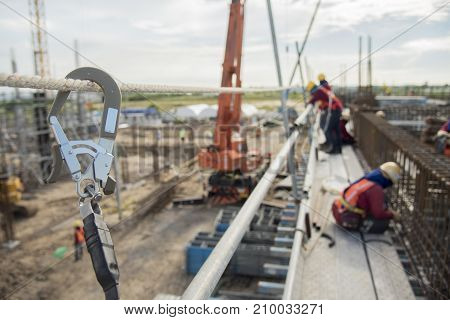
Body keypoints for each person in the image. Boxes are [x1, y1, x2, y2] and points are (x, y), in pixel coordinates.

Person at [332, 162, 402, 234]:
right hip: (347, 220)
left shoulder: (369, 179)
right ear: (389, 180)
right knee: (383, 223)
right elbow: (378, 214)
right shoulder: (376, 189)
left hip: (337, 210)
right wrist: (392, 215)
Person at [306, 81, 344, 154]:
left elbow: (313, 100)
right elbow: (324, 100)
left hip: (333, 110)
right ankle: (337, 149)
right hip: (336, 109)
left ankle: (332, 148)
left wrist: (308, 103)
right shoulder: (321, 90)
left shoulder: (318, 91)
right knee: (335, 129)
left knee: (327, 129)